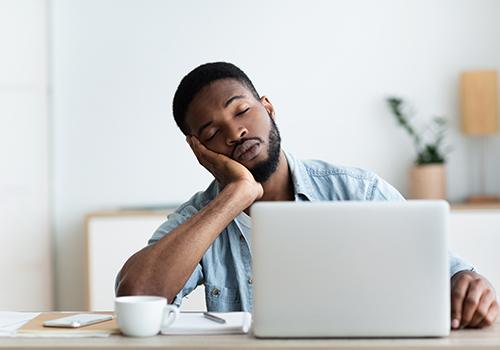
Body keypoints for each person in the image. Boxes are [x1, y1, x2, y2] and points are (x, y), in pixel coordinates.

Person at [116, 62, 498, 329]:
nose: (235, 133)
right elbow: (136, 294)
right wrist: (236, 195)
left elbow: (450, 275)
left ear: (268, 108)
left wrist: (470, 286)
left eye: (242, 111)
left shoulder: (357, 190)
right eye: (213, 133)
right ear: (199, 149)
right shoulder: (201, 217)